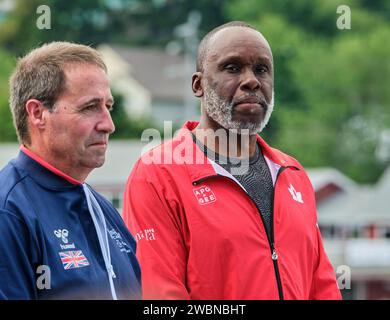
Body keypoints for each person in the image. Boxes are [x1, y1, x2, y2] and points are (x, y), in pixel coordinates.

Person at [123, 21, 341, 300]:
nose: (252, 81)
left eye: (262, 69)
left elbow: (322, 287)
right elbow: (161, 296)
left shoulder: (293, 172)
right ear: (198, 85)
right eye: (233, 68)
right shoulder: (158, 174)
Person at [0, 42, 141, 300]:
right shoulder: (9, 211)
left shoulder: (102, 210)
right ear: (38, 113)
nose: (108, 125)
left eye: (108, 107)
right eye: (89, 107)